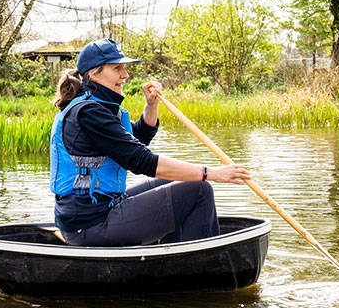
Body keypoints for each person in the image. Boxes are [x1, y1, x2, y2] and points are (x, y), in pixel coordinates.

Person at [50, 38, 251, 246]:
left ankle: (171, 256)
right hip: (91, 224)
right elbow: (141, 160)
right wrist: (212, 173)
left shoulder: (95, 107)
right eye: (117, 68)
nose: (125, 75)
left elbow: (135, 141)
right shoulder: (89, 113)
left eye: (124, 68)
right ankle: (197, 266)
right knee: (200, 189)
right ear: (93, 73)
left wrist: (151, 105)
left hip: (101, 209)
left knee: (181, 182)